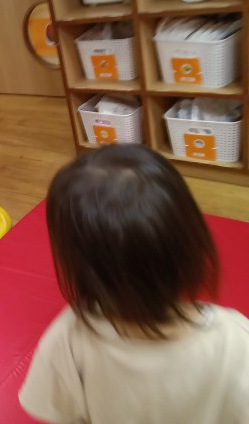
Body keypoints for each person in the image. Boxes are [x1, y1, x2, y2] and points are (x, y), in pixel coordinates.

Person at [19, 144, 249, 424]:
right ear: (190, 244)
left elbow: (54, 411)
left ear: (79, 266)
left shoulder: (69, 337)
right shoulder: (235, 340)